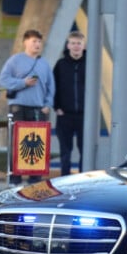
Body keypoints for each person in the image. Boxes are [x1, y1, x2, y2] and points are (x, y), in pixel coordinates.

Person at [0, 29, 55, 185]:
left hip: (38, 109)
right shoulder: (15, 60)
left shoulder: (44, 64)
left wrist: (47, 104)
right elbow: (3, 80)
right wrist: (23, 83)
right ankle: (14, 179)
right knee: (17, 143)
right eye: (34, 41)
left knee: (38, 145)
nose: (37, 45)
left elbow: (51, 86)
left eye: (39, 42)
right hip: (18, 107)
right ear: (25, 42)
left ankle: (34, 180)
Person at [53, 31, 86, 176]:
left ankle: (83, 179)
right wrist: (56, 107)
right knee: (65, 151)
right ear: (68, 45)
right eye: (73, 43)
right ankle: (64, 179)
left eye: (79, 43)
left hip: (84, 116)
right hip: (64, 114)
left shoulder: (90, 64)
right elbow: (53, 86)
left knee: (85, 150)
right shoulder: (60, 65)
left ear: (83, 46)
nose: (76, 46)